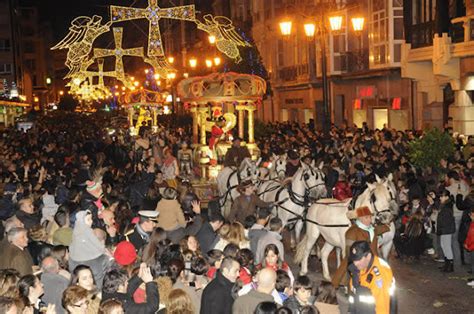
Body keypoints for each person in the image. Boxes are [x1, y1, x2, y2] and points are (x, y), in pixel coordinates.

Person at [332, 206, 390, 287]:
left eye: (370, 217)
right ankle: (336, 284)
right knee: (347, 264)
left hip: (373, 259)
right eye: (367, 217)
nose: (370, 219)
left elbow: (383, 228)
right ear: (360, 219)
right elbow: (349, 253)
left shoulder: (372, 229)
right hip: (359, 259)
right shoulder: (352, 231)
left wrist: (387, 222)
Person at [347, 241, 396, 314]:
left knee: (362, 291)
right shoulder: (357, 269)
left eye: (359, 259)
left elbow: (382, 309)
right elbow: (353, 295)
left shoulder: (379, 277)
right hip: (363, 308)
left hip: (379, 308)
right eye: (354, 259)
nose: (355, 263)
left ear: (368, 256)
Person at [69, 210, 111, 289]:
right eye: (88, 219)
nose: (91, 221)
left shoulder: (75, 232)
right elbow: (96, 243)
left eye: (91, 219)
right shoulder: (88, 231)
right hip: (97, 285)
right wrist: (104, 251)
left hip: (78, 284)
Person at [437, 189, 456, 272]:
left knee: (446, 246)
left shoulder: (447, 206)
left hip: (446, 229)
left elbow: (446, 219)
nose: (440, 198)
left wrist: (442, 228)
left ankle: (450, 265)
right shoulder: (445, 205)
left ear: (447, 197)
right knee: (444, 245)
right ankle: (447, 264)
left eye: (442, 196)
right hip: (445, 229)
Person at [464, 208, 474, 286]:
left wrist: (470, 247)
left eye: (471, 214)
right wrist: (466, 243)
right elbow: (469, 235)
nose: (470, 216)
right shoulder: (472, 223)